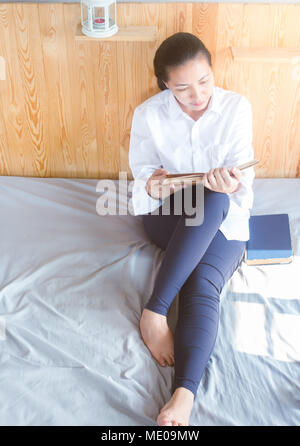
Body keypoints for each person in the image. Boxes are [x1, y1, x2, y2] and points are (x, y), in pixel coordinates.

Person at [128, 32, 255, 427]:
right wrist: (155, 184)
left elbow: (242, 182)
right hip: (170, 215)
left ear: (213, 72)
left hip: (224, 217)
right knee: (205, 202)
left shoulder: (236, 108)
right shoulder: (149, 114)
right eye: (182, 88)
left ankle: (183, 394)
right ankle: (156, 313)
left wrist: (230, 184)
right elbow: (142, 178)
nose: (197, 95)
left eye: (204, 81)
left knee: (204, 271)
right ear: (165, 84)